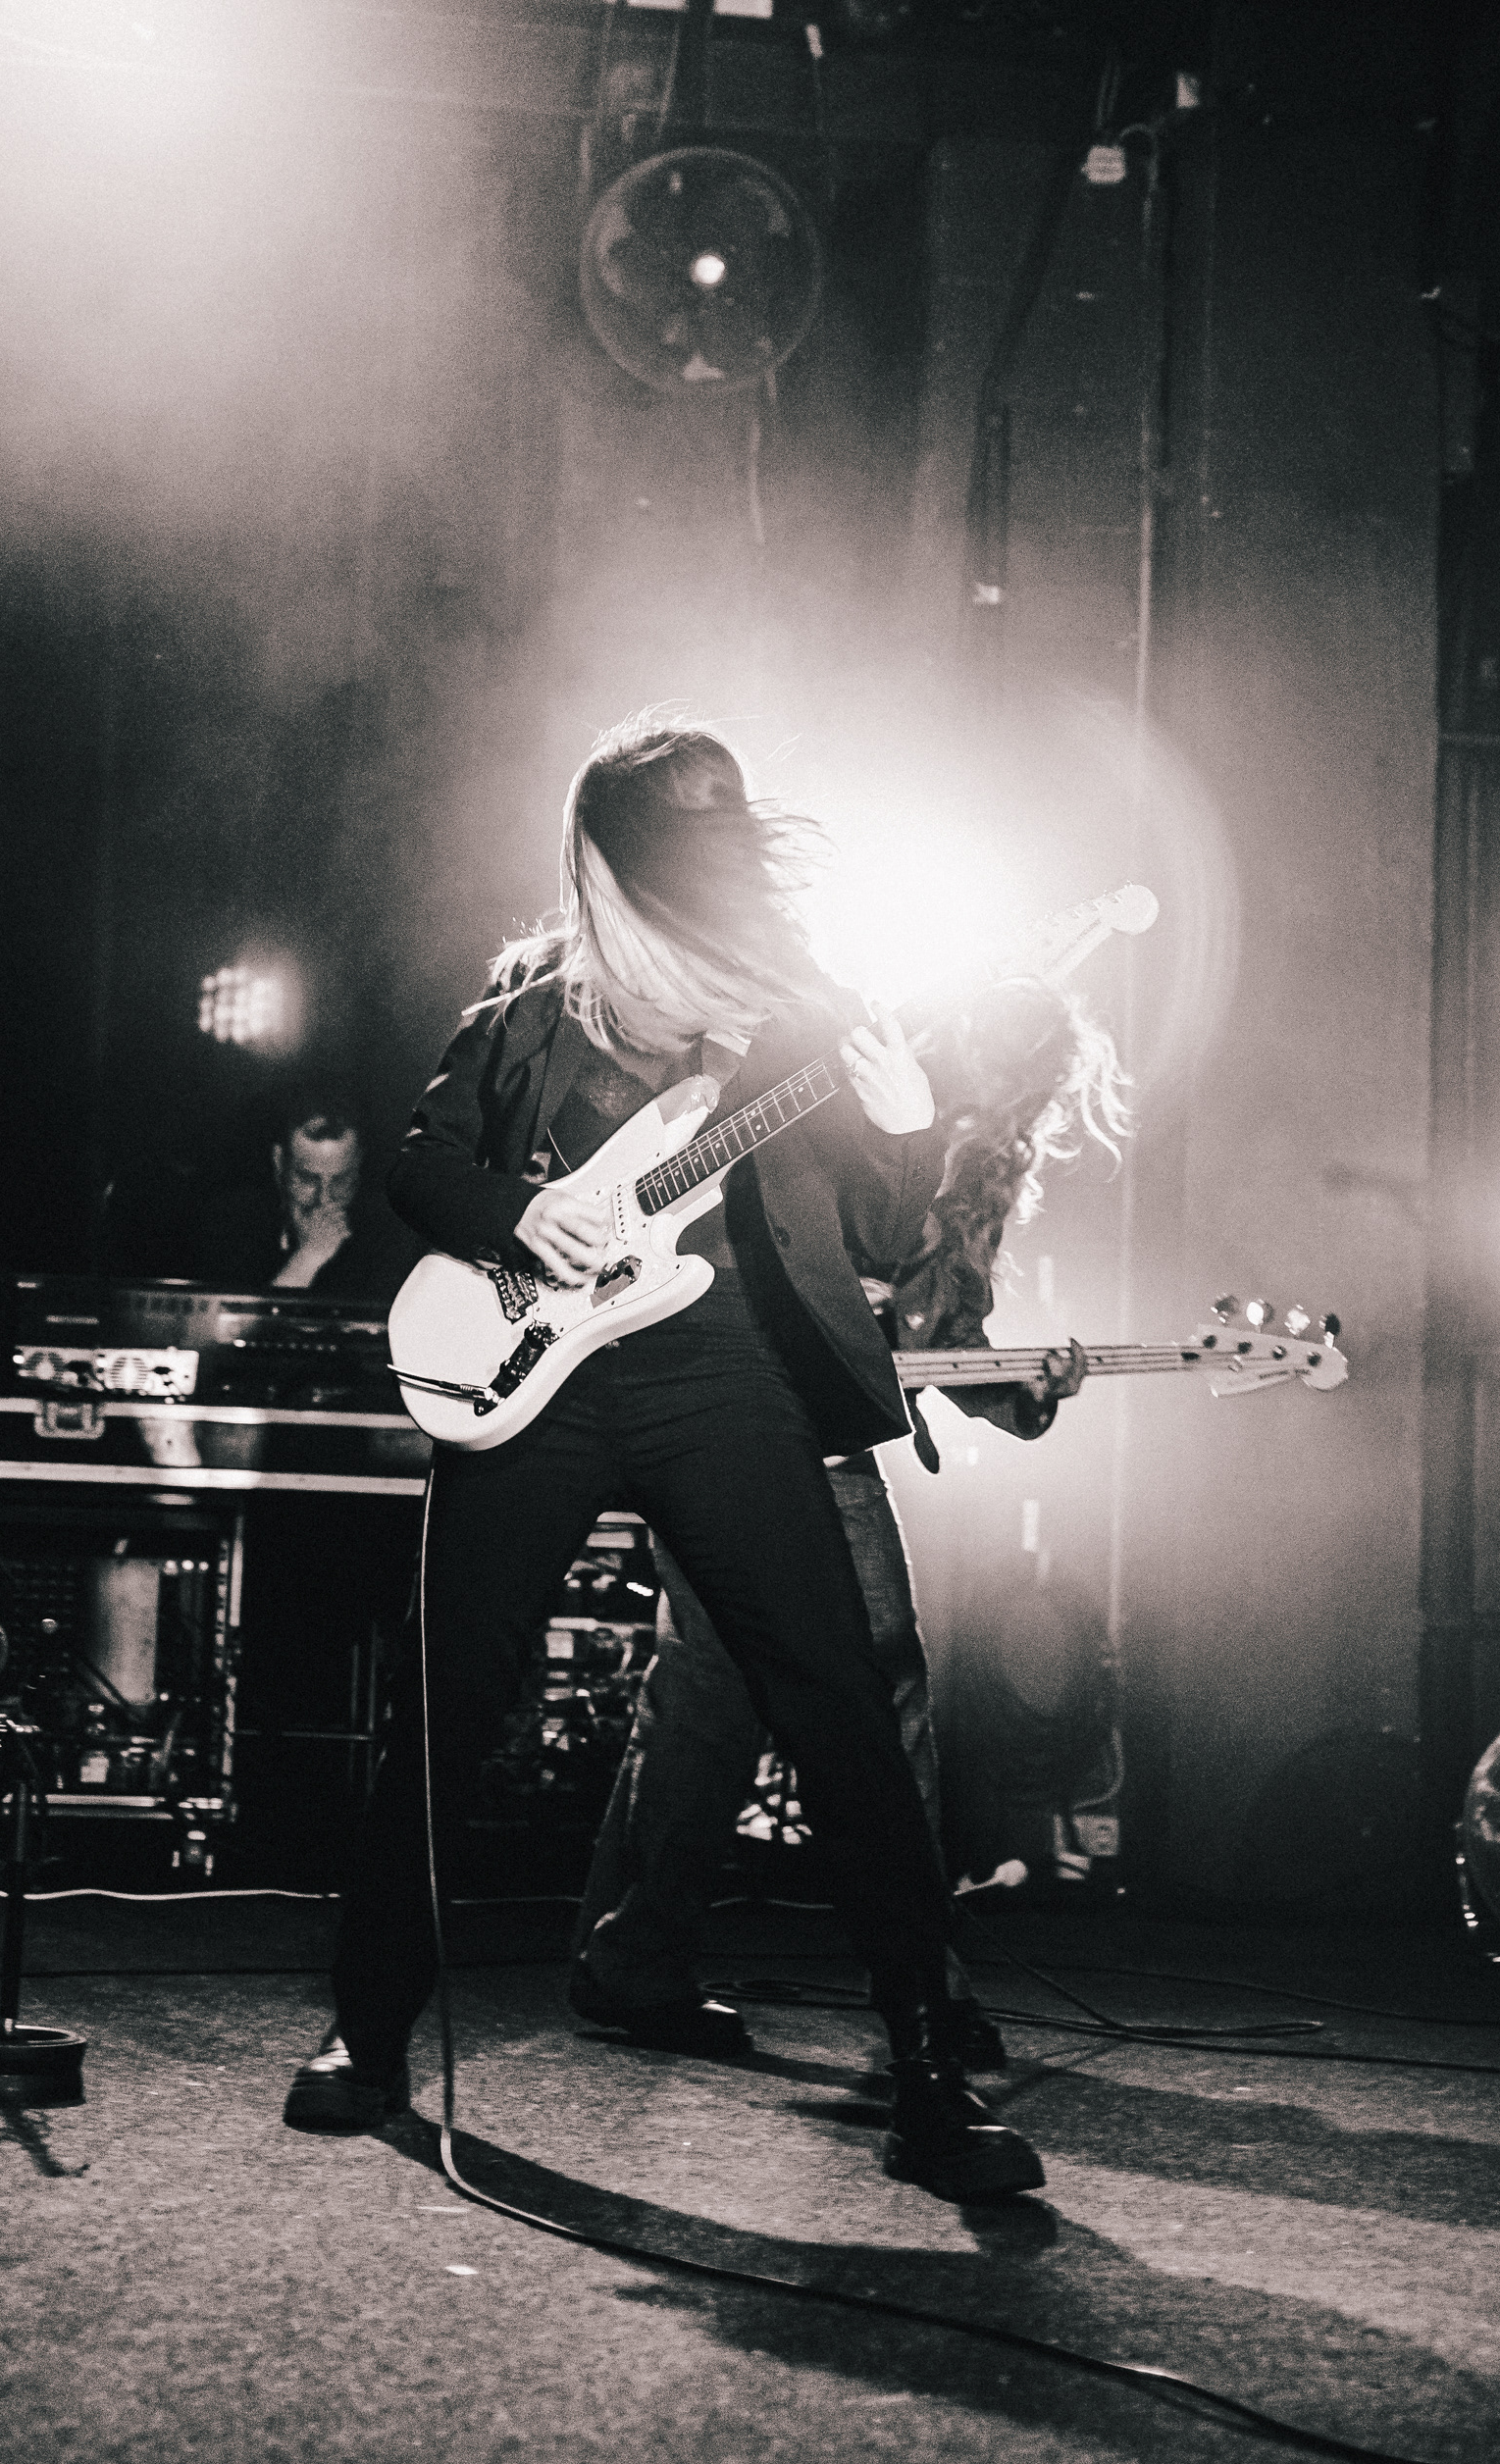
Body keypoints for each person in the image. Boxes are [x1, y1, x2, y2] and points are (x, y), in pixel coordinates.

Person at [283, 714, 1048, 2197]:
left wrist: (908, 1130)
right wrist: (521, 1214)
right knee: (447, 1697)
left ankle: (927, 2075)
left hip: (723, 1375)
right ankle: (365, 2029)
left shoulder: (801, 1009)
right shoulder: (531, 999)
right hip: (545, 1375)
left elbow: (879, 1237)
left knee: (833, 1698)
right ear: (611, 856)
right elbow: (420, 1164)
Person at [570, 974, 1127, 2057]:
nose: (1003, 1084)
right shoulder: (848, 1087)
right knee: (864, 1684)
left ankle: (635, 1960)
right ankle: (923, 1993)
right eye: (1000, 1053)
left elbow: (939, 1345)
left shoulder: (977, 1176)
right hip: (735, 1399)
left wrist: (1027, 1392)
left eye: (1024, 1071)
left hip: (811, 1431)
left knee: (707, 1699)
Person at [192, 1093, 410, 1298]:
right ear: (280, 1162)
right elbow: (232, 1323)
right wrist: (309, 1257)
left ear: (358, 1165)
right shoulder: (230, 1220)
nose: (324, 1199)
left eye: (340, 1180)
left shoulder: (388, 1232)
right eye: (308, 1179)